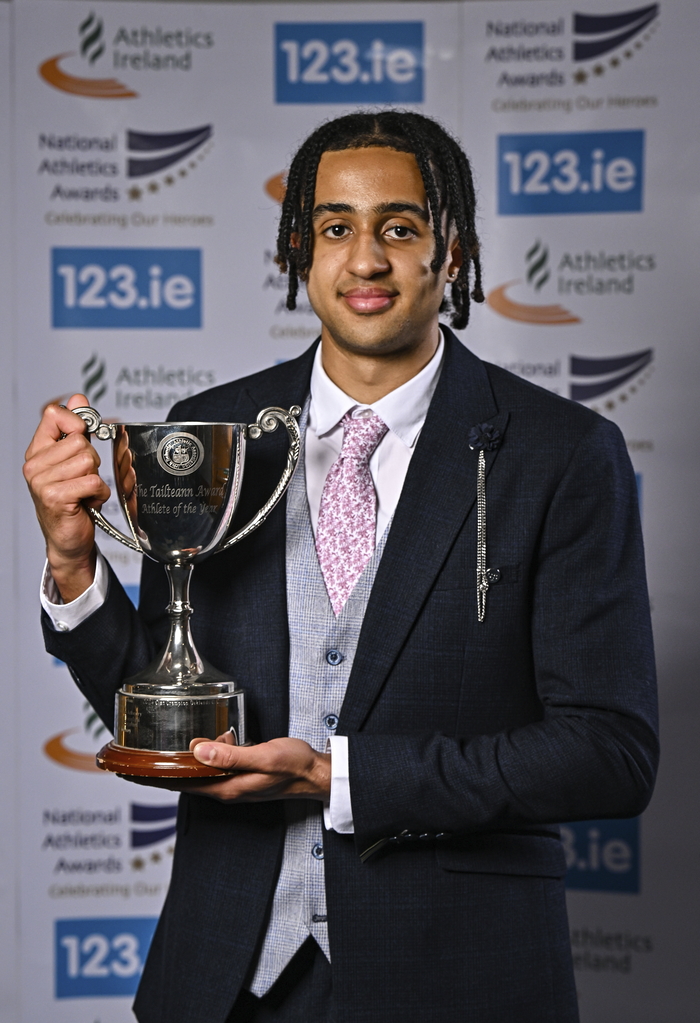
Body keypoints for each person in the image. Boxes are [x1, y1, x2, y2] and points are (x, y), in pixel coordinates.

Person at [24, 112, 658, 1023]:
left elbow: (611, 754)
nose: (365, 259)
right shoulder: (212, 431)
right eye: (335, 228)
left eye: (399, 228)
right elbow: (168, 704)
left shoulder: (562, 454)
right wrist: (73, 556)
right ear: (300, 250)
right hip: (225, 980)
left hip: (462, 981)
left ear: (453, 251)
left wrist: (341, 778)